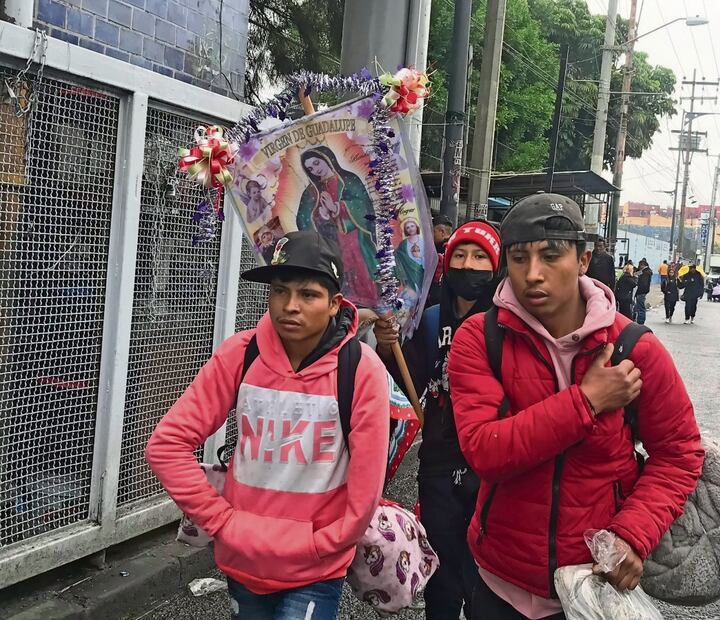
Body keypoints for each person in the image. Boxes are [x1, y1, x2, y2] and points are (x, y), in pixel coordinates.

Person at [446, 193, 703, 620]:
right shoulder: (480, 338)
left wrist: (632, 536)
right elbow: (484, 451)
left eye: (551, 256)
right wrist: (587, 401)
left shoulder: (632, 348)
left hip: (592, 585)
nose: (533, 275)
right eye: (518, 259)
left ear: (582, 260)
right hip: (499, 582)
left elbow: (678, 453)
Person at [145, 231, 390, 620]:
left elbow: (365, 492)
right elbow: (166, 445)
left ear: (333, 305)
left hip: (316, 567)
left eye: (308, 294)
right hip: (244, 561)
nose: (290, 306)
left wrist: (324, 542)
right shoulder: (240, 354)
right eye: (279, 291)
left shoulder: (360, 371)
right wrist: (222, 522)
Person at [374, 221, 502, 620]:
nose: (469, 265)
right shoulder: (429, 320)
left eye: (480, 257)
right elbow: (401, 381)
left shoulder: (507, 322)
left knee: (485, 578)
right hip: (439, 460)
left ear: (496, 266)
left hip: (493, 462)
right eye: (460, 255)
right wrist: (385, 345)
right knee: (443, 578)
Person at [296, 146, 379, 307]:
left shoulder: (349, 180)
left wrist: (338, 208)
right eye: (310, 168)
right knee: (338, 276)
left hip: (354, 239)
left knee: (360, 272)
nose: (315, 170)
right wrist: (320, 216)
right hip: (331, 243)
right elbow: (303, 219)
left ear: (328, 159)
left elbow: (364, 207)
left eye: (317, 163)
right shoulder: (311, 192)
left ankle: (366, 304)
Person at [633, 259, 652, 325]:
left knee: (640, 307)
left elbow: (643, 283)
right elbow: (635, 273)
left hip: (641, 292)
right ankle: (636, 319)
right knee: (637, 306)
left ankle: (641, 321)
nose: (638, 266)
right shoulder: (645, 271)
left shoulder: (645, 272)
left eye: (639, 265)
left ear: (642, 265)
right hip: (642, 291)